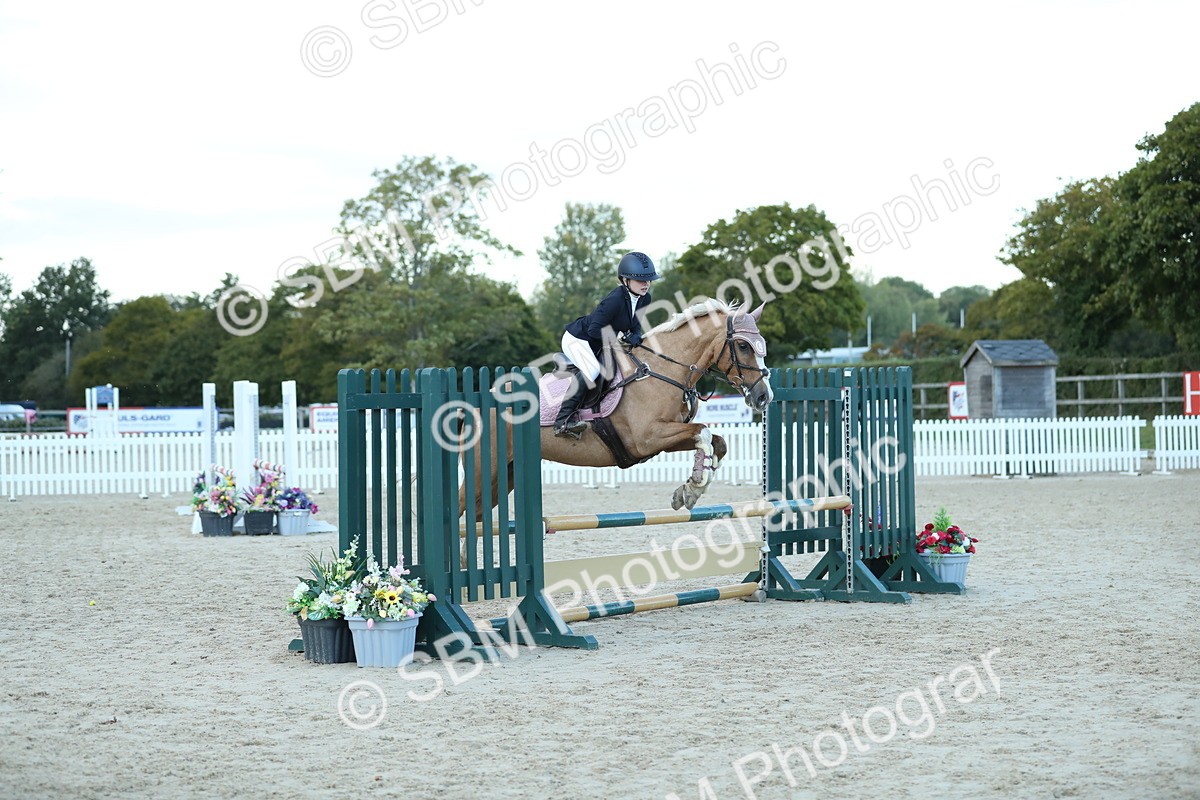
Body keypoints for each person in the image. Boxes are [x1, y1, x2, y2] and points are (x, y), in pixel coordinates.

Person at [554, 251, 660, 437]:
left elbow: (635, 325)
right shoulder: (614, 300)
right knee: (593, 369)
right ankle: (562, 421)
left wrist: (636, 336)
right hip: (577, 339)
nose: (646, 284)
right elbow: (595, 330)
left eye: (649, 280)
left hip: (598, 342)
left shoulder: (645, 298)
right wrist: (621, 337)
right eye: (641, 280)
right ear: (625, 280)